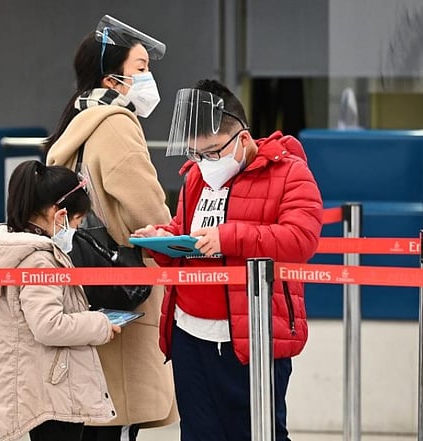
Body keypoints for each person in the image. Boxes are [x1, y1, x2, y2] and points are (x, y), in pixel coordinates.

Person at [132, 79, 323, 441]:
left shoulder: (289, 173)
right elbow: (186, 231)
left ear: (244, 140)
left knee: (257, 432)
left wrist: (229, 236)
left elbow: (301, 239)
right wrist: (161, 240)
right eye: (196, 154)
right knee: (198, 433)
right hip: (189, 334)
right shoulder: (196, 178)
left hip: (252, 336)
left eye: (214, 152)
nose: (205, 163)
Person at [44, 15, 178, 441]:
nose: (148, 76)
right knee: (119, 412)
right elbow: (146, 207)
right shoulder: (115, 123)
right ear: (111, 77)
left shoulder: (77, 122)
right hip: (125, 277)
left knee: (93, 413)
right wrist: (170, 231)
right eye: (141, 68)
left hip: (85, 278)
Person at [0, 160, 120, 441]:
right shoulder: (39, 260)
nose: (76, 229)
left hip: (25, 381)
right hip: (50, 388)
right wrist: (99, 324)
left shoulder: (7, 250)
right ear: (58, 214)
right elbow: (48, 325)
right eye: (77, 221)